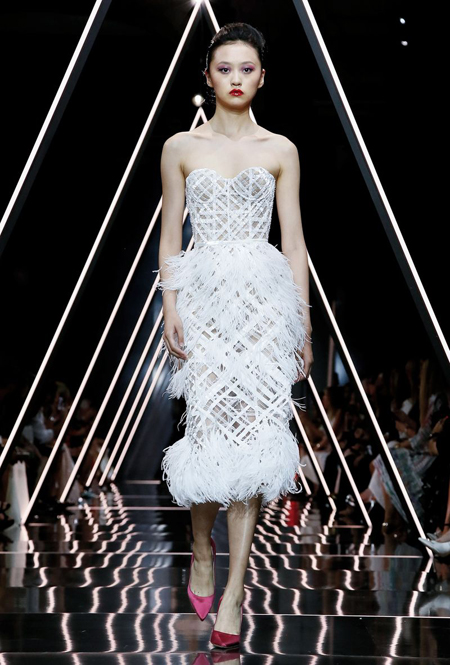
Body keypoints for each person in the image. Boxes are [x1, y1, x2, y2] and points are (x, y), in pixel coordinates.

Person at [155, 22, 313, 649]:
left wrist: (302, 325)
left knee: (255, 438)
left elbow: (293, 242)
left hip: (263, 304)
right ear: (208, 76)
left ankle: (235, 591)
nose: (237, 79)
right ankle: (201, 545)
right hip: (204, 302)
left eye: (247, 69)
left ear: (262, 77)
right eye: (225, 69)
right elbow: (172, 235)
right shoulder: (179, 147)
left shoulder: (282, 149)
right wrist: (170, 304)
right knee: (208, 430)